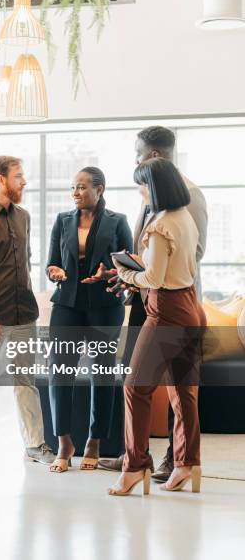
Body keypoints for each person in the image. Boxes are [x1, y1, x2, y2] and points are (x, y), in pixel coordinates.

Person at [100, 126, 208, 482]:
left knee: (134, 386)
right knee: (182, 392)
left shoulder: (168, 218)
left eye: (140, 178)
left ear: (155, 163)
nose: (139, 186)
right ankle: (186, 463)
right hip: (186, 302)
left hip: (165, 304)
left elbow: (159, 274)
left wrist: (131, 275)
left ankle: (136, 465)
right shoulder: (178, 215)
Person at [0, 156, 55, 469]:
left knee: (25, 381)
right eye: (19, 176)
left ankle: (35, 444)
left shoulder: (24, 217)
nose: (24, 181)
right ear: (0, 179)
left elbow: (25, 265)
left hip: (24, 314)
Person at [46, 167, 133, 473]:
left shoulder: (118, 221)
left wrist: (108, 272)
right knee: (60, 373)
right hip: (67, 305)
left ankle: (94, 441)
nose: (76, 192)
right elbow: (51, 263)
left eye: (82, 187)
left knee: (103, 373)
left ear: (100, 189)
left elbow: (130, 267)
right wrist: (54, 271)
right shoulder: (62, 220)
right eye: (73, 187)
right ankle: (64, 441)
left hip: (105, 306)